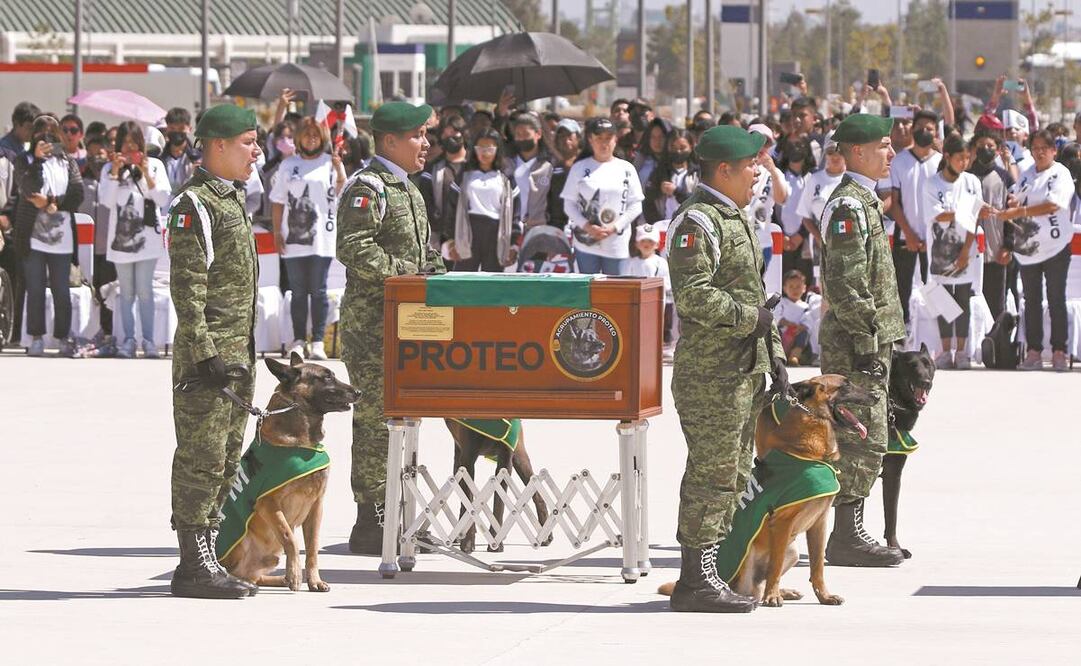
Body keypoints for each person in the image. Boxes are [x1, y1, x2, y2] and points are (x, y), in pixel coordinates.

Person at [666, 124, 786, 613]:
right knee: (711, 475)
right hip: (710, 375)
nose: (758, 172)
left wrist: (773, 352)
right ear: (724, 170)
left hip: (740, 370)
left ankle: (710, 571)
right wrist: (749, 319)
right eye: (751, 165)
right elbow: (694, 296)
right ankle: (694, 580)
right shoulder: (698, 221)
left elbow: (754, 294)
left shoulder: (731, 215)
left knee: (734, 473)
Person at [339, 101, 445, 554]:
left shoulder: (407, 188)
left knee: (403, 420)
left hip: (408, 325)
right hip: (372, 329)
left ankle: (397, 511)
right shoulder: (368, 188)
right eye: (418, 136)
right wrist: (409, 274)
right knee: (375, 423)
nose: (426, 144)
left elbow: (423, 254)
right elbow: (353, 248)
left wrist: (442, 277)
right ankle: (372, 517)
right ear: (389, 141)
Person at [166, 104, 261, 599]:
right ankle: (192, 563)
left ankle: (209, 552)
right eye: (248, 142)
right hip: (209, 361)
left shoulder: (231, 199)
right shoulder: (195, 204)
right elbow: (188, 285)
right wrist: (205, 354)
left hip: (237, 356)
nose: (257, 152)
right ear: (217, 145)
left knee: (226, 458)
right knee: (201, 457)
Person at [818, 113, 906, 567]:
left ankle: (851, 530)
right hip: (856, 345)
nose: (891, 153)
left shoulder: (865, 201)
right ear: (857, 152)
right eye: (884, 146)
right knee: (858, 436)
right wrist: (869, 342)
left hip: (870, 340)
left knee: (868, 434)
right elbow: (847, 283)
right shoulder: (850, 206)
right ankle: (846, 536)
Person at [994, 130, 1074, 372]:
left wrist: (1020, 212)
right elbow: (1016, 197)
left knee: (1056, 299)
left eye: (1044, 148)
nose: (1039, 152)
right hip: (1028, 248)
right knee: (1031, 300)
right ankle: (1034, 351)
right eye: (1035, 147)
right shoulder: (1027, 174)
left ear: (1053, 151)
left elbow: (1053, 205)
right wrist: (1014, 203)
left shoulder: (1060, 173)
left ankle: (1059, 350)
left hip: (1056, 246)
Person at [269, 117, 346, 360]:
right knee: (298, 291)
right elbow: (278, 200)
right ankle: (299, 339)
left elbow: (342, 190)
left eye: (316, 134)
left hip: (322, 238)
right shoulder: (288, 165)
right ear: (299, 137)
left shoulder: (329, 163)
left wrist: (339, 168)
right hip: (293, 239)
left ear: (322, 137)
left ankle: (319, 342)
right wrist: (276, 231)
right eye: (306, 134)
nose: (311, 138)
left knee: (319, 290)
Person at [100, 121, 172, 359]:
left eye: (134, 144)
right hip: (120, 243)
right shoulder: (110, 169)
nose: (129, 148)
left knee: (145, 291)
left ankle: (149, 341)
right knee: (126, 291)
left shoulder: (155, 166)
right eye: (125, 144)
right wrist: (113, 172)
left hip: (147, 240)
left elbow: (163, 198)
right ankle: (129, 340)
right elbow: (107, 202)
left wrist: (145, 174)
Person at [13, 115, 84, 357]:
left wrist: (54, 202)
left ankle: (63, 337)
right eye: (41, 134)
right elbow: (28, 188)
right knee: (34, 288)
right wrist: (38, 161)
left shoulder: (67, 161)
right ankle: (36, 337)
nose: (46, 138)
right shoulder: (26, 160)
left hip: (61, 237)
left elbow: (77, 194)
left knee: (61, 290)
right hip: (33, 236)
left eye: (52, 134)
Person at [922, 134, 990, 370]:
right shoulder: (932, 183)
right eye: (960, 158)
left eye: (967, 158)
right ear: (948, 157)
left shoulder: (972, 182)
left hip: (966, 247)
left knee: (963, 299)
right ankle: (944, 349)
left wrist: (966, 250)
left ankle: (961, 351)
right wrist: (967, 211)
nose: (964, 162)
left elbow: (976, 217)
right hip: (940, 249)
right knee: (942, 299)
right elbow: (937, 215)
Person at [560, 117, 644, 275]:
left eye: (608, 138)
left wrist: (615, 227)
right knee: (586, 294)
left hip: (616, 244)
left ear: (615, 140)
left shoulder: (627, 169)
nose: (604, 143)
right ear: (590, 140)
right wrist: (587, 226)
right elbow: (569, 204)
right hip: (585, 243)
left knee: (614, 294)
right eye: (599, 138)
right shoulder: (579, 168)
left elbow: (635, 205)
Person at [886, 109, 941, 324]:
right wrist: (909, 233)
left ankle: (937, 335)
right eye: (920, 128)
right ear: (912, 129)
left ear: (935, 133)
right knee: (902, 288)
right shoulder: (900, 162)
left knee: (934, 287)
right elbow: (894, 202)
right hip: (904, 236)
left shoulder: (941, 163)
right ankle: (902, 334)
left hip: (934, 238)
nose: (924, 132)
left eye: (930, 129)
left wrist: (931, 235)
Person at [449, 128, 519, 271]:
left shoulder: (506, 176)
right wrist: (451, 239)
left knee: (493, 282)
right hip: (469, 231)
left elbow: (515, 213)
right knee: (464, 279)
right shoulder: (465, 174)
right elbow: (451, 206)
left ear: (497, 149)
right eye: (480, 148)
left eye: (490, 148)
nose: (485, 153)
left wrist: (513, 244)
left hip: (496, 233)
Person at [968, 132, 1018, 322]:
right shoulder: (966, 176)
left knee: (996, 304)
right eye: (981, 145)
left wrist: (1008, 245)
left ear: (997, 150)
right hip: (969, 253)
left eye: (990, 146)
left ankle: (997, 346)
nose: (985, 149)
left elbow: (1012, 213)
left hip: (996, 251)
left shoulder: (1004, 177)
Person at [796, 137, 847, 286]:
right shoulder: (814, 180)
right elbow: (805, 215)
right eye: (831, 152)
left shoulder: (851, 179)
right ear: (826, 154)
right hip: (821, 243)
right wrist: (819, 238)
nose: (835, 157)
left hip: (848, 241)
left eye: (839, 152)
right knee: (824, 287)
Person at [419, 115, 468, 259]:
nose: (450, 138)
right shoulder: (431, 171)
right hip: (444, 244)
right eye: (445, 135)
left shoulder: (476, 167)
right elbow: (427, 207)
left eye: (454, 133)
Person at [624, 223, 674, 358]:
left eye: (650, 241)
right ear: (637, 244)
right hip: (638, 299)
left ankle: (663, 345)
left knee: (660, 323)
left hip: (658, 300)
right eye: (643, 241)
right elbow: (627, 280)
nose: (646, 244)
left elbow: (667, 282)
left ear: (657, 245)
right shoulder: (632, 262)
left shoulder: (661, 262)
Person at [746, 124, 788, 268]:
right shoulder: (737, 167)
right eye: (755, 140)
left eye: (766, 143)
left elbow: (781, 199)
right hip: (738, 241)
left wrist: (773, 171)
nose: (760, 146)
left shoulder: (775, 173)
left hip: (762, 242)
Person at [504, 113, 554, 229]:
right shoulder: (506, 164)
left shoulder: (549, 166)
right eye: (518, 135)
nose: (521, 138)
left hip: (538, 228)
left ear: (538, 134)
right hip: (510, 227)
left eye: (526, 134)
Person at [643, 129, 698, 224]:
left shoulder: (697, 174)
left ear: (691, 147)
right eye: (673, 147)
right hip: (663, 228)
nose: (678, 151)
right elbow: (648, 200)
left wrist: (676, 192)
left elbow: (699, 201)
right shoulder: (659, 172)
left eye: (682, 147)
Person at [778, 136, 813, 282]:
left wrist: (801, 234)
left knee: (804, 281)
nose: (796, 150)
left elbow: (814, 212)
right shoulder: (778, 176)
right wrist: (782, 235)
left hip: (805, 240)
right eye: (791, 146)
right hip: (782, 240)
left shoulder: (812, 177)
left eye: (800, 145)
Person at [547, 118, 581, 231]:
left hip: (581, 222)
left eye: (569, 135)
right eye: (561, 136)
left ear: (579, 138)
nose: (566, 139)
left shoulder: (586, 162)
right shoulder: (548, 164)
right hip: (555, 223)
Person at [775, 269, 812, 365]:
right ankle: (778, 356)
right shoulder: (781, 302)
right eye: (791, 286)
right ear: (784, 288)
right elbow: (777, 316)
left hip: (796, 334)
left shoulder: (806, 306)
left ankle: (794, 356)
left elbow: (808, 322)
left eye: (798, 286)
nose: (795, 289)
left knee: (804, 334)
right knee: (775, 332)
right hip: (783, 333)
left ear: (804, 288)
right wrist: (787, 323)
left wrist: (801, 327)